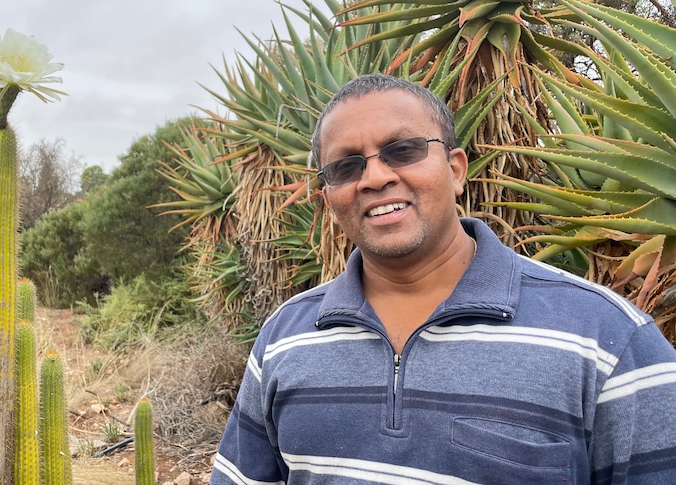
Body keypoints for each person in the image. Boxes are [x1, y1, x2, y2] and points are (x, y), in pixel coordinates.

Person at [210, 73, 676, 484]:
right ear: (329, 196)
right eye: (346, 166)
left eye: (403, 150)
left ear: (455, 170)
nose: (374, 177)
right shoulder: (284, 338)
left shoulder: (608, 339)